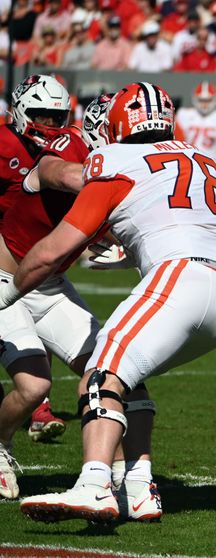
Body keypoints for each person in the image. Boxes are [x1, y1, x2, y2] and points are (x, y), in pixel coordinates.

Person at [8, 82, 216, 523]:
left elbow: (49, 252)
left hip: (178, 279)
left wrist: (8, 294)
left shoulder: (114, 160)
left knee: (100, 375)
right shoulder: (201, 157)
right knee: (128, 376)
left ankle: (94, 484)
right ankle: (139, 489)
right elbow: (174, 217)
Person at [0, 75, 73, 498]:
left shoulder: (62, 149)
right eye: (41, 114)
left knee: (33, 380)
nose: (48, 123)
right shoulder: (6, 144)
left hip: (38, 275)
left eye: (55, 116)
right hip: (4, 267)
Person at [176, 82, 216, 167]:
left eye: (208, 100)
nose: (205, 104)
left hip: (213, 164)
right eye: (201, 100)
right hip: (188, 162)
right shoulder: (183, 114)